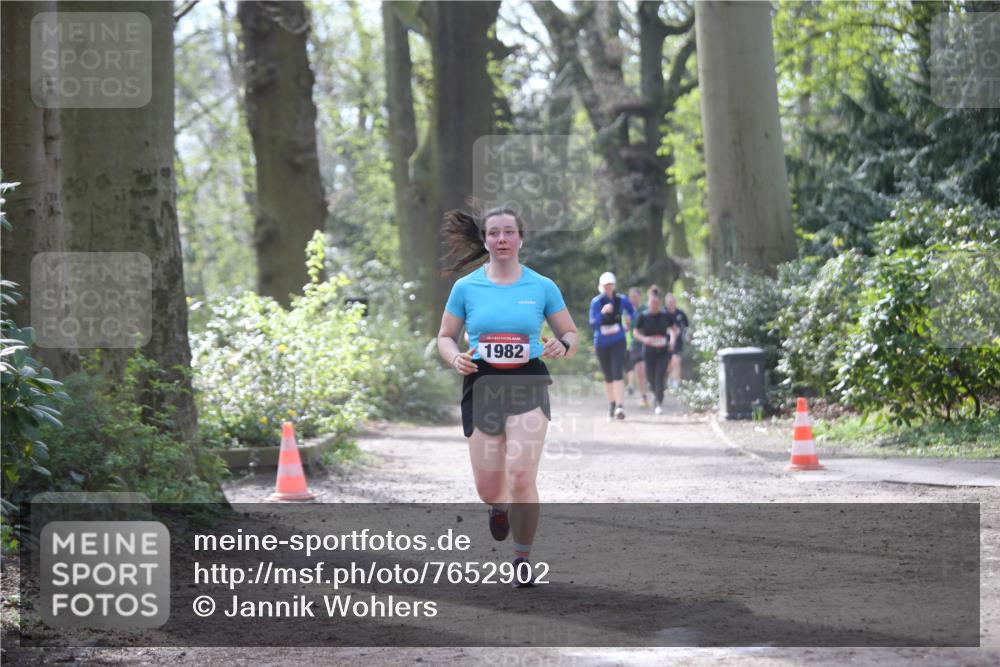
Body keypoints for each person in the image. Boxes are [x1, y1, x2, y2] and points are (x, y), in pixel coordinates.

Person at [437, 206, 578, 588]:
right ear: (485, 240)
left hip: (528, 382)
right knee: (488, 488)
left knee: (520, 474)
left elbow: (570, 334)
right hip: (481, 383)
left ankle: (522, 558)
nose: (502, 239)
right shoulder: (466, 288)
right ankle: (498, 508)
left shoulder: (541, 286)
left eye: (509, 232)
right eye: (494, 233)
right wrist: (455, 358)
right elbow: (446, 336)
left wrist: (562, 346)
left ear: (520, 239)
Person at [589, 272, 634, 420]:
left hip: (618, 341)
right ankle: (612, 404)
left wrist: (629, 319)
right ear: (601, 287)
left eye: (610, 285)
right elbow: (593, 324)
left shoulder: (621, 300)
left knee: (617, 373)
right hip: (602, 344)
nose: (608, 288)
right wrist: (602, 313)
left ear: (614, 286)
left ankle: (620, 407)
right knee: (608, 376)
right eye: (606, 285)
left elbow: (633, 314)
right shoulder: (596, 302)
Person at [633, 286, 676, 415]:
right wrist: (644, 339)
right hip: (649, 352)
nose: (654, 305)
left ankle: (658, 402)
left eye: (656, 303)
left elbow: (674, 329)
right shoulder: (643, 316)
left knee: (659, 377)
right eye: (652, 303)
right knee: (651, 378)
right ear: (648, 303)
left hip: (663, 352)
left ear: (660, 304)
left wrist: (672, 341)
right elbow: (635, 332)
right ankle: (656, 395)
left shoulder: (665, 315)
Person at [624, 286, 649, 408]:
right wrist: (627, 324)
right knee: (639, 371)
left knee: (648, 371)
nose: (632, 300)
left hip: (649, 344)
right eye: (630, 297)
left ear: (640, 297)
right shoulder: (627, 312)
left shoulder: (646, 309)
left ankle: (652, 390)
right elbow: (626, 329)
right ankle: (644, 397)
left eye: (635, 297)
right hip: (635, 344)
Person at [665, 293, 690, 391]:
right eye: (669, 302)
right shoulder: (663, 313)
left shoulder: (680, 313)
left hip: (678, 341)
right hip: (665, 342)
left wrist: (687, 335)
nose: (671, 304)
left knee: (677, 359)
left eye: (673, 301)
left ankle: (676, 382)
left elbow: (687, 326)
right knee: (669, 362)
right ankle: (671, 376)